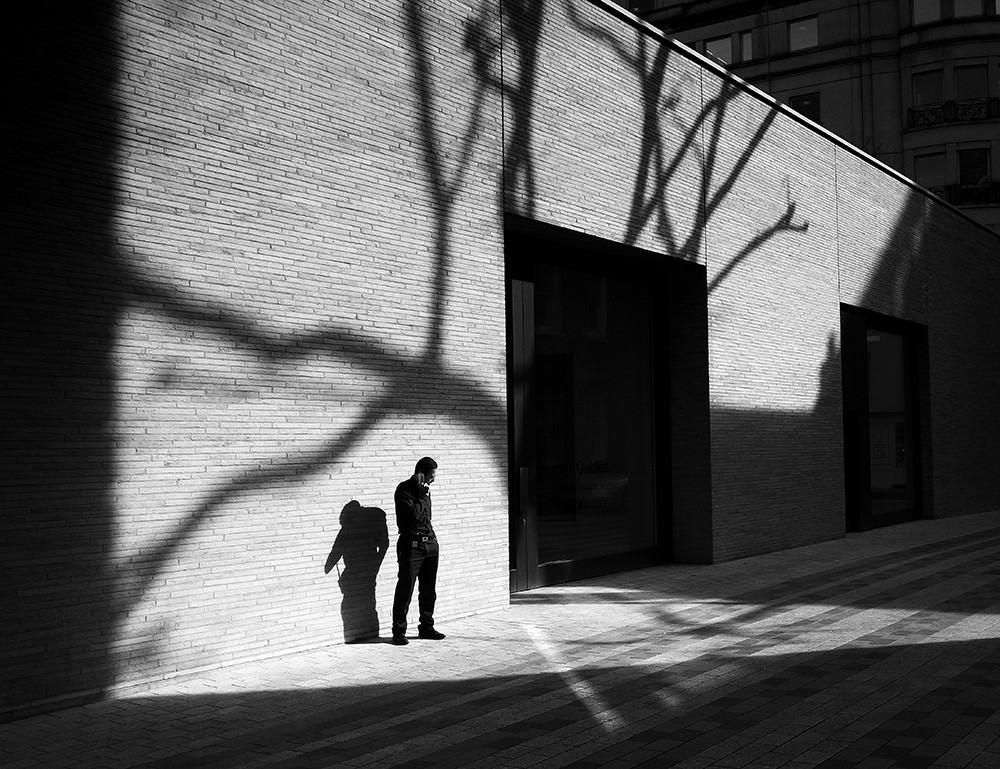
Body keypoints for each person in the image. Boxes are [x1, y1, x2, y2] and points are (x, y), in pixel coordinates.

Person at [391, 456, 446, 645]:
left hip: (430, 544)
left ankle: (427, 627)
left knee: (429, 590)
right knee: (406, 589)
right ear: (421, 474)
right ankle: (399, 631)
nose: (433, 480)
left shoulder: (426, 491)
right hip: (412, 546)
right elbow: (414, 516)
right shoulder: (404, 490)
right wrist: (422, 495)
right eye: (431, 476)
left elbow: (426, 518)